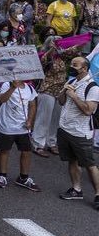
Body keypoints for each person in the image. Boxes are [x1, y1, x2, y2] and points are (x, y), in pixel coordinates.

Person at [56, 56, 99, 208]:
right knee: (72, 160)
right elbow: (61, 102)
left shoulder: (92, 87)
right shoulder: (71, 81)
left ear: (85, 69)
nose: (72, 67)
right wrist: (63, 92)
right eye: (72, 64)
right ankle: (76, 189)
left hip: (81, 132)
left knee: (89, 164)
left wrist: (74, 96)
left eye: (76, 65)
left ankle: (98, 194)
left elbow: (88, 110)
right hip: (65, 128)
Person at [0, 78, 41, 191]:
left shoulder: (30, 88)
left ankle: (23, 178)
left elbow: (32, 105)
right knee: (4, 150)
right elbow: (2, 99)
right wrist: (13, 87)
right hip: (6, 126)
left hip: (23, 128)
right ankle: (2, 176)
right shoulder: (6, 84)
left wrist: (30, 121)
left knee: (27, 151)